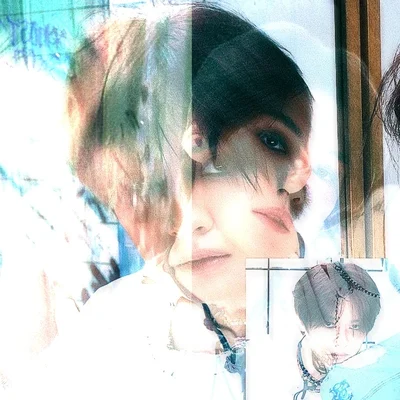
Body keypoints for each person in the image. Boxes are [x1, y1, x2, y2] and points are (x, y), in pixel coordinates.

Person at [5, 3, 313, 399]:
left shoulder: (359, 318)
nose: (180, 220)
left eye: (212, 169)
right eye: (145, 188)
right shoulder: (108, 329)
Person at [292, 262, 381, 399]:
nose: (342, 341)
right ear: (302, 323)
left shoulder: (377, 377)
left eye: (355, 326)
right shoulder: (275, 375)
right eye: (330, 325)